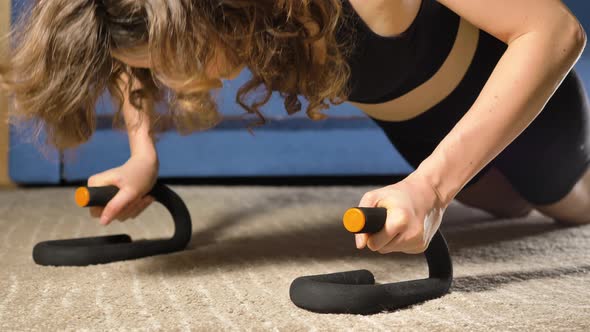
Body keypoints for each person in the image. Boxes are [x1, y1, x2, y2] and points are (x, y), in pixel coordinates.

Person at [0, 0, 587, 255]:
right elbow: (130, 52)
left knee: (568, 206)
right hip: (415, 132)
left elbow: (555, 31)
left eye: (174, 57)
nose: (170, 80)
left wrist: (430, 189)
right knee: (507, 210)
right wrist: (140, 154)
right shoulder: (204, 20)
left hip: (521, 113)